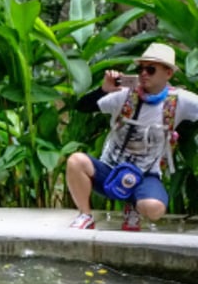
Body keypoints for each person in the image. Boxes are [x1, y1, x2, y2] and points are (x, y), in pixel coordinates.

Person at [65, 42, 198, 231]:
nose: (143, 73)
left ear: (168, 73)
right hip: (111, 170)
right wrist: (103, 90)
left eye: (151, 69)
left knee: (155, 209)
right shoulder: (125, 94)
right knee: (75, 161)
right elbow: (82, 108)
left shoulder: (180, 100)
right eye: (141, 68)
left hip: (146, 175)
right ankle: (85, 215)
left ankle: (134, 207)